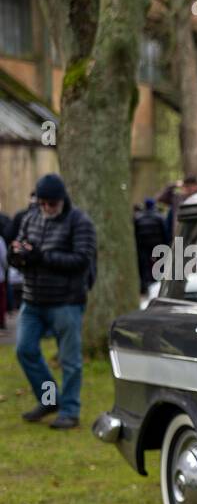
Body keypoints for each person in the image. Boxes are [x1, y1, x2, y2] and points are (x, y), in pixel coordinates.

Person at [10, 173, 97, 430]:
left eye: (52, 204)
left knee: (70, 360)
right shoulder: (31, 217)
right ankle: (49, 399)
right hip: (33, 298)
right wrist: (18, 257)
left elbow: (81, 260)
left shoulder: (79, 222)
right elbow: (23, 249)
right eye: (43, 203)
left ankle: (70, 410)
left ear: (62, 200)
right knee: (25, 350)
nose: (47, 208)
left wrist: (41, 257)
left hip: (66, 301)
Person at [133, 198, 167, 294]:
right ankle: (159, 284)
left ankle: (145, 286)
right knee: (160, 264)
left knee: (144, 267)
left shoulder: (138, 218)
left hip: (143, 246)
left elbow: (135, 233)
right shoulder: (159, 217)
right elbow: (164, 232)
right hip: (158, 245)